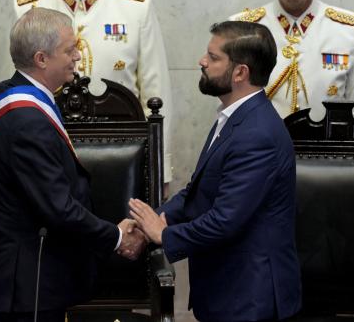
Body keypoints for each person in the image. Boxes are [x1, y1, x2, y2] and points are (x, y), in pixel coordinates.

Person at [0, 7, 146, 322]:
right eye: (69, 51)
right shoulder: (26, 120)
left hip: (35, 275)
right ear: (42, 59)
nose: (77, 58)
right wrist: (117, 237)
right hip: (31, 283)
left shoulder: (6, 94)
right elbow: (58, 208)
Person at [129, 21, 301, 322]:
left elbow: (225, 220)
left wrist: (164, 234)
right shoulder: (236, 117)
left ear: (240, 73)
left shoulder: (257, 133)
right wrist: (156, 219)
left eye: (214, 57)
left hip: (249, 297)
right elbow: (199, 190)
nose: (202, 61)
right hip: (228, 291)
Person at [6, 0, 174, 186]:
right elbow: (13, 94)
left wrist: (160, 169)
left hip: (120, 156)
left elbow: (156, 93)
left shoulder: (135, 8)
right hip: (45, 152)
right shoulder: (27, 9)